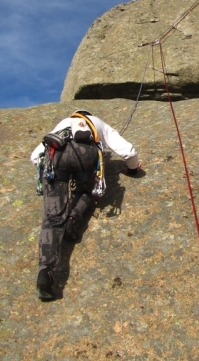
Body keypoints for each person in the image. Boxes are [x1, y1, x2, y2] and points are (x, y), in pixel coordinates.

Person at [30, 109, 141, 300]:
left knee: (52, 219)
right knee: (90, 189)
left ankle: (46, 274)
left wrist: (57, 176)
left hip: (56, 156)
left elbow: (35, 157)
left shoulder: (62, 124)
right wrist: (133, 169)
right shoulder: (98, 122)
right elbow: (128, 151)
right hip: (85, 155)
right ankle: (73, 218)